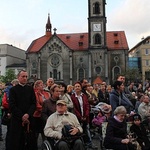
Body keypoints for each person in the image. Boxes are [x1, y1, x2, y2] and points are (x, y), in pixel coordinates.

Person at [9, 70, 36, 150]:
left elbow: (34, 103)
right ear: (18, 77)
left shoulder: (30, 89)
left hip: (29, 119)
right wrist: (22, 116)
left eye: (26, 77)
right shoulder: (13, 90)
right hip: (17, 119)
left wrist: (28, 114)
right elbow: (12, 105)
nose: (25, 78)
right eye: (23, 76)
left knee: (30, 141)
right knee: (17, 142)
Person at [71, 81, 97, 149]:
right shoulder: (72, 97)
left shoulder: (84, 96)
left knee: (86, 130)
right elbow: (74, 108)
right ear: (74, 88)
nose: (77, 88)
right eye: (76, 86)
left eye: (78, 86)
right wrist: (80, 117)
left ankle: (89, 144)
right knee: (79, 131)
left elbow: (87, 106)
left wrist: (86, 115)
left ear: (81, 87)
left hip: (85, 117)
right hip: (77, 118)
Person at [2, 79, 19, 150]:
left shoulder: (6, 92)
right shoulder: (11, 91)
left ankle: (9, 146)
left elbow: (4, 103)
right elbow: (4, 103)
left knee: (10, 132)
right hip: (13, 113)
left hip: (10, 113)